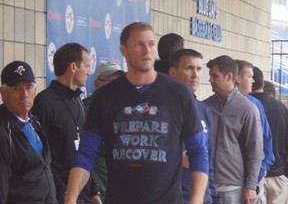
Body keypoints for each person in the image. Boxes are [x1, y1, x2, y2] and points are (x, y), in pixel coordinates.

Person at [64, 21, 209, 204]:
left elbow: (198, 150)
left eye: (151, 44)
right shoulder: (105, 97)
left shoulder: (179, 94)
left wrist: (196, 199)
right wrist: (70, 197)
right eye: (139, 44)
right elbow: (86, 152)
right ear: (123, 50)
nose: (147, 50)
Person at [32, 43, 100, 204]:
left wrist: (93, 190)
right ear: (73, 67)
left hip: (81, 193)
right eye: (87, 66)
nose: (90, 72)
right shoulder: (44, 103)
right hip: (57, 195)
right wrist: (65, 193)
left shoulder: (77, 100)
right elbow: (39, 157)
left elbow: (83, 152)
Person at [203, 55, 263, 204]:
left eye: (214, 76)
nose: (210, 80)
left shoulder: (248, 109)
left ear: (229, 76)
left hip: (234, 187)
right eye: (210, 76)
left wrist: (250, 186)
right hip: (207, 184)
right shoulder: (204, 107)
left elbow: (255, 151)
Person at [0, 61, 57, 204]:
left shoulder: (33, 121)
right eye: (16, 88)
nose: (24, 94)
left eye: (29, 87)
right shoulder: (3, 131)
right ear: (3, 93)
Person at [169, 48, 221, 204]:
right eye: (189, 68)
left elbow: (208, 160)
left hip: (202, 199)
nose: (196, 74)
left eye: (198, 69)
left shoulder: (204, 110)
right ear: (172, 72)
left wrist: (214, 197)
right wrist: (177, 158)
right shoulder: (159, 110)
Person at [83, 62, 124, 203]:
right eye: (110, 81)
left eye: (119, 81)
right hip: (98, 185)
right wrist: (94, 190)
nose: (116, 86)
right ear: (97, 83)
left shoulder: (125, 110)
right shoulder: (87, 109)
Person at [235, 59, 275, 203]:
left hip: (253, 179)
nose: (253, 81)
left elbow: (265, 140)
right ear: (237, 78)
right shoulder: (215, 105)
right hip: (230, 180)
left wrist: (260, 172)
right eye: (249, 77)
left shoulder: (254, 104)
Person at [251, 66, 288, 204]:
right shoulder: (281, 107)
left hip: (250, 179)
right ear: (263, 83)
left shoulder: (242, 106)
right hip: (278, 177)